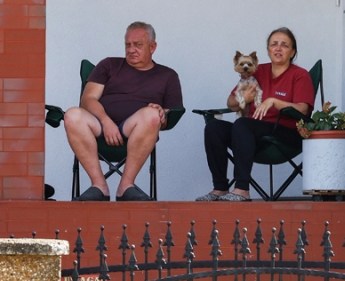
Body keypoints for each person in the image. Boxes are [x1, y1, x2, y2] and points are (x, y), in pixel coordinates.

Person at [64, 22, 183, 201]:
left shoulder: (167, 76)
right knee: (72, 115)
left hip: (136, 128)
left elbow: (169, 116)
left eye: (138, 45)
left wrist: (161, 113)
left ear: (153, 47)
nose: (131, 49)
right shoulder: (109, 65)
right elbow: (88, 100)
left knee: (151, 115)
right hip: (99, 126)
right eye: (128, 45)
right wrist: (106, 121)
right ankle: (99, 185)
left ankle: (126, 185)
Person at [197, 27, 315, 202]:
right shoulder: (256, 71)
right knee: (214, 127)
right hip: (250, 135)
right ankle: (220, 188)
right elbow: (230, 103)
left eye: (284, 45)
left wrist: (274, 101)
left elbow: (303, 109)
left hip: (285, 134)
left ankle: (242, 189)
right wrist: (243, 98)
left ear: (293, 52)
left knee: (243, 124)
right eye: (274, 44)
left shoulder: (300, 75)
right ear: (268, 50)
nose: (278, 48)